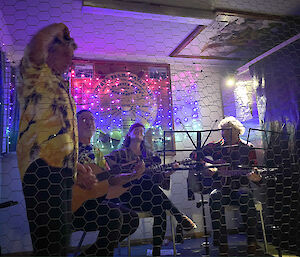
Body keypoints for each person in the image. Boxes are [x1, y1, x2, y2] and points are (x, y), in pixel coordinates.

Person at [16, 23, 81, 255]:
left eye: (71, 56)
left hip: (63, 172)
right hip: (41, 169)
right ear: (48, 52)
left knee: (60, 241)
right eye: (65, 54)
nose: (68, 61)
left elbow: (63, 135)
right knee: (50, 244)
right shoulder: (34, 74)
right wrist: (59, 29)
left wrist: (78, 167)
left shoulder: (62, 85)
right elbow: (34, 48)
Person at [105, 122, 197, 257]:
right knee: (146, 180)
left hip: (146, 197)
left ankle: (156, 251)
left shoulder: (149, 156)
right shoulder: (119, 154)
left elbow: (158, 179)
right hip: (126, 197)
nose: (139, 131)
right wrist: (127, 173)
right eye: (135, 129)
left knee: (159, 207)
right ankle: (179, 215)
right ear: (129, 134)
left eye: (142, 130)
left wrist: (171, 171)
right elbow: (106, 165)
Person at [190, 116, 262, 255]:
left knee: (245, 196)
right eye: (222, 131)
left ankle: (252, 241)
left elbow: (255, 169)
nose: (224, 134)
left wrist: (256, 178)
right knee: (214, 197)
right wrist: (209, 165)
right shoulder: (215, 146)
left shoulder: (247, 148)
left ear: (237, 131)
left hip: (241, 187)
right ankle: (221, 242)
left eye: (228, 130)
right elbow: (194, 155)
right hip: (221, 188)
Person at [72, 110, 140, 256]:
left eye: (91, 120)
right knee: (114, 215)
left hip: (93, 203)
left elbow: (110, 178)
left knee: (132, 219)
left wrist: (132, 175)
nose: (89, 123)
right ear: (74, 125)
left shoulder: (97, 152)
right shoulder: (69, 149)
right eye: (84, 120)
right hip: (73, 206)